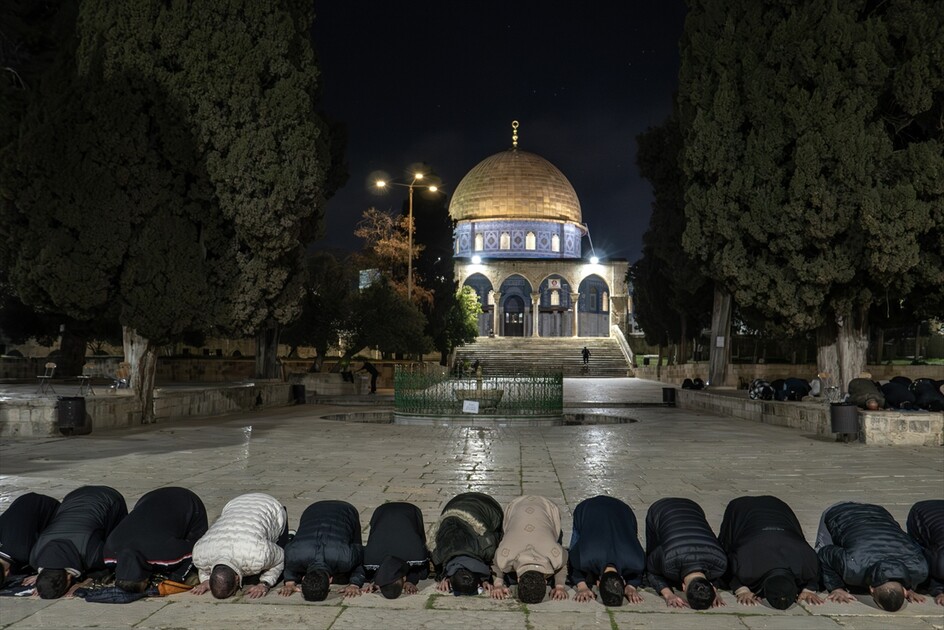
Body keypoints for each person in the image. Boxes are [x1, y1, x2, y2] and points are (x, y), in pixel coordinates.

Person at [816, 502, 927, 611]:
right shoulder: (853, 565)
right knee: (817, 560)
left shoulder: (919, 569)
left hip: (879, 511)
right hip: (838, 512)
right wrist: (836, 588)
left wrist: (911, 585)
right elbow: (824, 554)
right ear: (871, 589)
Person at [718, 495, 822, 609]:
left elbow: (815, 572)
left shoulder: (806, 560)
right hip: (742, 508)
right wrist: (741, 590)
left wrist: (809, 589)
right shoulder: (745, 562)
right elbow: (726, 565)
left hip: (778, 506)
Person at [29, 486, 127, 599]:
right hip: (73, 496)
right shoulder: (35, 557)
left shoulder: (91, 556)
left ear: (69, 578)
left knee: (115, 538)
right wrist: (44, 582)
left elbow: (110, 564)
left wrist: (86, 581)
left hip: (109, 499)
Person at [103, 487, 208, 593]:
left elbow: (195, 549)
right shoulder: (109, 553)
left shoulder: (165, 554)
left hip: (187, 502)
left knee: (199, 562)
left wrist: (176, 578)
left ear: (145, 580)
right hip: (147, 499)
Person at [191, 493, 288, 599]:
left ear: (237, 579)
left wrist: (265, 584)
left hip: (271, 507)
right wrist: (205, 581)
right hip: (233, 504)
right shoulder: (199, 553)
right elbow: (203, 566)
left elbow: (281, 557)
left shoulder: (259, 554)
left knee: (282, 550)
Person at [645, 497, 727, 610]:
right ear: (683, 587)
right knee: (652, 555)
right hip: (660, 509)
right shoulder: (667, 559)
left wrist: (713, 593)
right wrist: (668, 595)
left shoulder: (721, 562)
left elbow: (717, 578)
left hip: (694, 507)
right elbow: (651, 570)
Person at [568, 495, 645, 606]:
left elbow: (639, 572)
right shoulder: (584, 558)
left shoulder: (637, 562)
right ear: (598, 584)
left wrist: (631, 586)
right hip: (588, 509)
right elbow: (571, 563)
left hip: (623, 510)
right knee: (576, 546)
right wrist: (582, 586)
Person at [490, 495, 568, 604]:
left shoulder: (556, 555)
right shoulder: (504, 557)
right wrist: (498, 585)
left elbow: (563, 564)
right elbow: (495, 563)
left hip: (544, 506)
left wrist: (559, 586)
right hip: (516, 506)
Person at [280, 500, 363, 601]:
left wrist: (355, 584)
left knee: (355, 543)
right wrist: (289, 582)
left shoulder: (346, 558)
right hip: (312, 509)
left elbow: (360, 558)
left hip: (346, 511)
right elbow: (290, 564)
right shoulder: (294, 555)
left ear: (330, 580)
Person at [348, 502, 429, 599]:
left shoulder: (416, 556)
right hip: (387, 511)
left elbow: (421, 568)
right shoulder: (372, 560)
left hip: (398, 511)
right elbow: (420, 568)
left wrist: (410, 581)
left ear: (403, 578)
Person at [430, 492, 503, 596]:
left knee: (497, 530)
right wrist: (445, 576)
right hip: (453, 505)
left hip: (488, 505)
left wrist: (485, 579)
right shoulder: (438, 556)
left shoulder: (488, 547)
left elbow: (500, 538)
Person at [0, 493, 60, 584]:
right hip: (24, 499)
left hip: (53, 509)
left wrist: (42, 574)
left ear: (7, 572)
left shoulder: (23, 553)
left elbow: (51, 553)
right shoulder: (18, 550)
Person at [907, 500, 944, 606]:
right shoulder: (940, 560)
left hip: (936, 515)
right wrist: (939, 592)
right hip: (919, 514)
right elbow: (930, 568)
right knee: (919, 551)